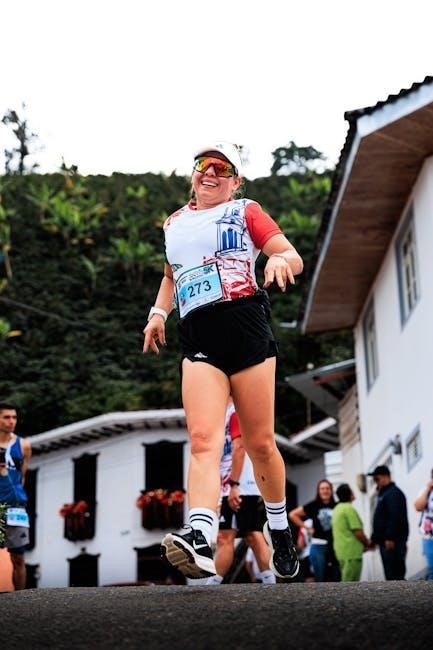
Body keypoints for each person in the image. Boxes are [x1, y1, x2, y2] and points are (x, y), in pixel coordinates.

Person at [143, 141, 303, 580]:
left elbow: (290, 254)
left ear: (236, 181)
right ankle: (200, 534)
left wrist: (278, 261)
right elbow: (171, 276)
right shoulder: (174, 223)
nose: (210, 173)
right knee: (202, 439)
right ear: (193, 173)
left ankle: (278, 527)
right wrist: (158, 314)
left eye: (222, 168)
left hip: (245, 326)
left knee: (260, 443)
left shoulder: (245, 210)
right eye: (203, 165)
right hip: (199, 335)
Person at [206, 399, 275, 585]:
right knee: (252, 535)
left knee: (227, 537)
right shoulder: (225, 414)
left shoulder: (234, 411)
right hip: (239, 486)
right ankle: (271, 582)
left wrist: (234, 485)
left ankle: (212, 585)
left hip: (239, 485)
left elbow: (239, 447)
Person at [0, 401, 32, 590]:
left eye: (14, 417)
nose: (11, 421)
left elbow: (22, 476)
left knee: (18, 556)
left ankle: (21, 600)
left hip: (15, 508)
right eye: (6, 417)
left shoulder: (24, 445)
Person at [289, 479, 340, 582]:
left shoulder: (336, 506)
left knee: (336, 578)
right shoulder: (314, 505)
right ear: (318, 491)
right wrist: (307, 528)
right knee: (320, 579)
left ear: (331, 490)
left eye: (327, 488)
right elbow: (292, 514)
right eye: (322, 489)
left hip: (335, 546)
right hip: (318, 546)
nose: (325, 491)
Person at [368, 465, 409, 580]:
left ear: (386, 477)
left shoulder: (393, 493)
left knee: (395, 576)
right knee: (391, 576)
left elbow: (395, 517)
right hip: (385, 542)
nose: (375, 482)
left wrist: (390, 537)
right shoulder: (384, 494)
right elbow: (381, 519)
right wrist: (374, 539)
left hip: (392, 542)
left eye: (377, 479)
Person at [332, 483, 371, 582]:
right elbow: (357, 531)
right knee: (350, 584)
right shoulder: (349, 509)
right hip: (352, 553)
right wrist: (368, 543)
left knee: (346, 580)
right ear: (349, 494)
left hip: (341, 552)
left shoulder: (337, 509)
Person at [413, 469, 433, 580]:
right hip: (429, 535)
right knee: (432, 569)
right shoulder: (427, 491)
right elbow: (418, 507)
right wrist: (428, 489)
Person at [296, 518, 315, 582]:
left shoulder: (304, 524)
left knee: (309, 580)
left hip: (307, 555)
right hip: (322, 553)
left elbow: (301, 544)